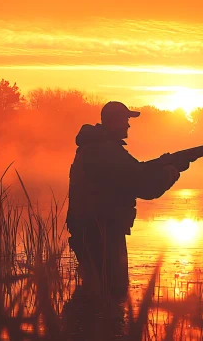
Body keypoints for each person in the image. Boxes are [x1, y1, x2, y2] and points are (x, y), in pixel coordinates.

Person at [66, 101, 187, 298]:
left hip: (93, 229)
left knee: (95, 292)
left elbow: (133, 171)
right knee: (112, 292)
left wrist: (161, 163)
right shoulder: (106, 151)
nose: (128, 125)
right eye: (126, 120)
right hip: (102, 232)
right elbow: (144, 186)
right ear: (114, 121)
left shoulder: (98, 147)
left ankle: (83, 327)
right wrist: (171, 172)